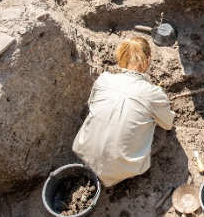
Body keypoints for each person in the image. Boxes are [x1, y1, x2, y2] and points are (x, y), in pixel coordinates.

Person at [72, 37, 175, 187]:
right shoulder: (153, 94)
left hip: (84, 153)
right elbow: (168, 124)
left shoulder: (103, 79)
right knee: (158, 132)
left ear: (120, 57)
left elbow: (91, 105)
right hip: (124, 168)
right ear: (148, 60)